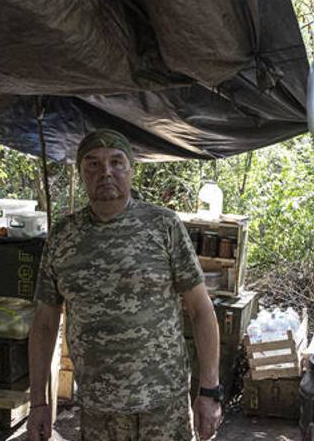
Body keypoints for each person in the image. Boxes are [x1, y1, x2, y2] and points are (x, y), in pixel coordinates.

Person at [27, 129, 223, 441]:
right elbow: (44, 324)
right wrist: (38, 401)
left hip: (163, 403)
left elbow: (201, 310)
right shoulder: (63, 237)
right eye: (92, 164)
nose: (105, 172)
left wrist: (210, 391)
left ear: (131, 170)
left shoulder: (164, 225)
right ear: (80, 174)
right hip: (97, 407)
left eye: (116, 162)